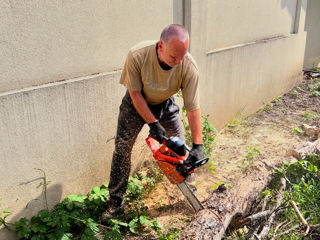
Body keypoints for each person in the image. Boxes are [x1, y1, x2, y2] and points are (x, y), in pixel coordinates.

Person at [102, 24, 204, 219]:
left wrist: (198, 144)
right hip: (135, 104)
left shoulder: (188, 66)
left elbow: (192, 108)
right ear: (160, 46)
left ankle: (191, 197)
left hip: (165, 104)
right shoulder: (137, 55)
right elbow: (134, 93)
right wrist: (152, 123)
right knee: (122, 150)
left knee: (181, 151)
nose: (178, 61)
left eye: (182, 56)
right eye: (174, 57)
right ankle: (115, 203)